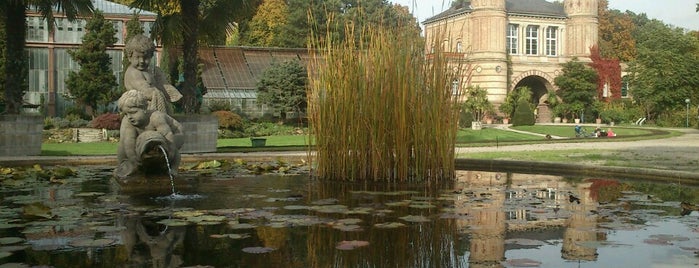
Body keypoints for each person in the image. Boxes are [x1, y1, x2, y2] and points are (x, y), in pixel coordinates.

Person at [115, 90, 184, 178]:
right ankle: (125, 166)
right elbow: (129, 142)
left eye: (133, 112)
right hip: (152, 136)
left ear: (144, 108)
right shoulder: (129, 122)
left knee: (172, 146)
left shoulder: (156, 117)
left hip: (175, 132)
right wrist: (134, 159)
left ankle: (173, 169)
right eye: (126, 114)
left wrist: (170, 153)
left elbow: (168, 134)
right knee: (122, 145)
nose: (130, 117)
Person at [124, 34, 182, 115]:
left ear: (151, 57)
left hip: (152, 109)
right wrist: (157, 92)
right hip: (141, 112)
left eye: (146, 58)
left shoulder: (149, 71)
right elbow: (146, 91)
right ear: (130, 57)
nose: (141, 61)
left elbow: (162, 86)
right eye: (137, 57)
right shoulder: (134, 73)